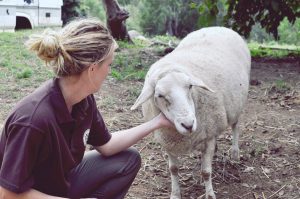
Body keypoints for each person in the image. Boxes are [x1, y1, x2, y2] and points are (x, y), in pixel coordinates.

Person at [0, 18, 173, 199]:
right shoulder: (33, 120)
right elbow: (8, 194)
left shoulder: (84, 101)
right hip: (29, 194)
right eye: (109, 64)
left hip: (60, 183)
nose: (109, 71)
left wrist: (157, 122)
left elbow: (107, 145)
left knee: (128, 160)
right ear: (92, 69)